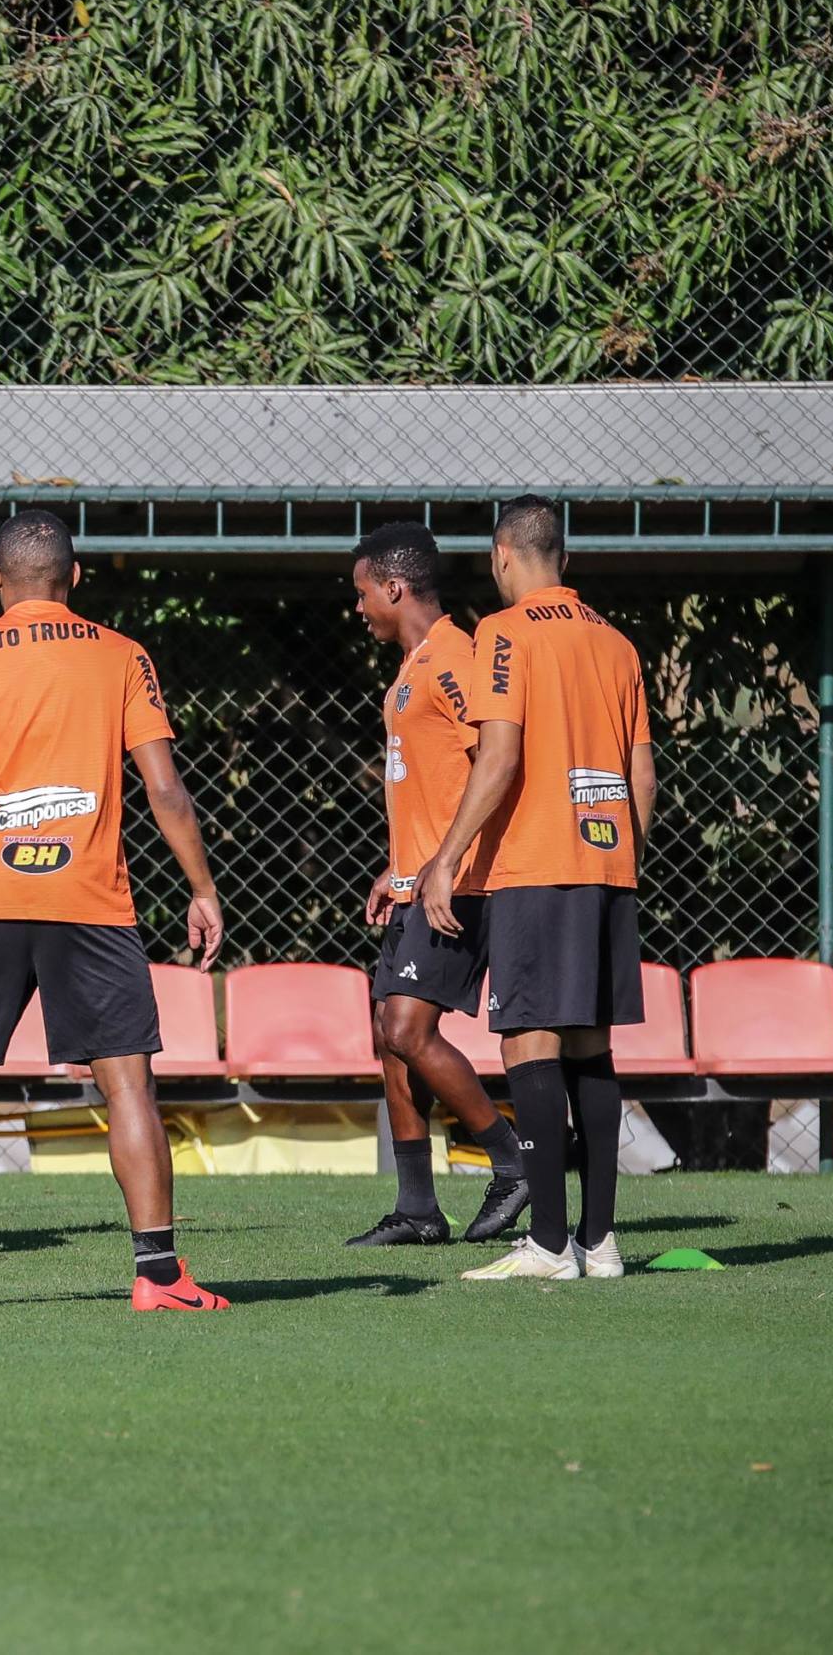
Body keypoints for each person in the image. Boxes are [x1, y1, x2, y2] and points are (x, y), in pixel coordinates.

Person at [0, 510, 227, 1313]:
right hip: (88, 899)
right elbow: (165, 788)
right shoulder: (122, 656)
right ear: (76, 577)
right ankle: (159, 1276)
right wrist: (202, 887)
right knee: (127, 1086)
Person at [413, 498, 657, 1282]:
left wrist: (447, 856)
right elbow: (641, 773)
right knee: (592, 1044)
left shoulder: (503, 633)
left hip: (536, 860)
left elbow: (501, 755)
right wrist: (621, 857)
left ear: (501, 556)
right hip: (605, 862)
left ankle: (549, 1244)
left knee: (528, 1041)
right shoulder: (616, 645)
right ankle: (599, 1241)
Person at [346, 522, 531, 1247]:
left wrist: (443, 864)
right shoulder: (416, 663)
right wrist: (396, 871)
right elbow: (433, 786)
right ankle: (418, 1207)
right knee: (388, 1038)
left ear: (393, 587)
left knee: (407, 1028)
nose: (358, 607)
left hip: (459, 885)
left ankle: (513, 1163)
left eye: (362, 593)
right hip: (416, 883)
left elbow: (492, 761)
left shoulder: (455, 656)